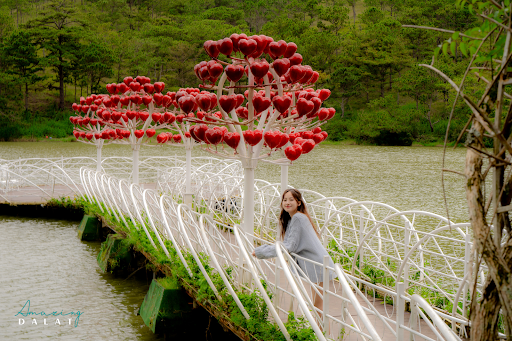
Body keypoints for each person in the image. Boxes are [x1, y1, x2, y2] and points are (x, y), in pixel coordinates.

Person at [251, 188, 336, 317]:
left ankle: (323, 335)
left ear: (299, 202)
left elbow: (289, 246)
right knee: (318, 305)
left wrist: (261, 252)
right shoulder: (294, 219)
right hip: (318, 264)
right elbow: (288, 245)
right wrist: (262, 251)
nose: (287, 202)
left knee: (318, 307)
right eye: (285, 200)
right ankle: (321, 334)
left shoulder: (297, 218)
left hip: (318, 265)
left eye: (291, 199)